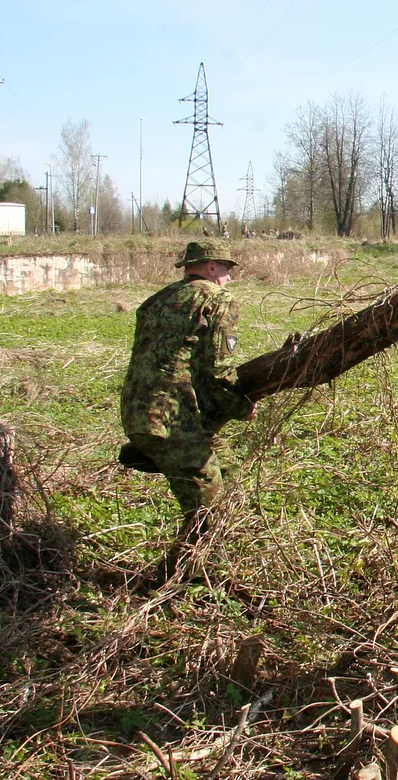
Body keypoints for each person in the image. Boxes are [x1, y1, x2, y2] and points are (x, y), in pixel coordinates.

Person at [120, 241, 255, 578]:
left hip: (138, 413)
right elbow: (218, 369)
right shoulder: (216, 299)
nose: (229, 277)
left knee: (229, 472)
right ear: (210, 267)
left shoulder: (157, 300)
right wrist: (241, 405)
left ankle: (209, 568)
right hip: (172, 421)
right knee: (207, 509)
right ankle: (177, 583)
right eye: (226, 269)